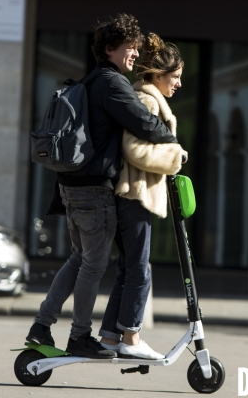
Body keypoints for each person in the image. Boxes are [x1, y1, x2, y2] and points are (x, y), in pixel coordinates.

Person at [25, 14, 178, 359]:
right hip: (94, 190)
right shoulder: (112, 84)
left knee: (80, 259)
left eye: (138, 48)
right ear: (110, 48)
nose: (136, 55)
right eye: (130, 48)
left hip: (71, 186)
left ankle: (42, 324)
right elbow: (145, 124)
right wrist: (173, 142)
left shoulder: (92, 80)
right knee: (93, 265)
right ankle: (79, 336)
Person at [98, 33, 187, 359]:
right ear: (156, 75)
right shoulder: (148, 100)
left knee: (128, 268)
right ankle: (131, 338)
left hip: (135, 195)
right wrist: (175, 157)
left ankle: (110, 337)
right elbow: (134, 150)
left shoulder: (148, 98)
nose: (178, 84)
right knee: (139, 268)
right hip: (134, 194)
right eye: (175, 77)